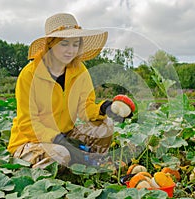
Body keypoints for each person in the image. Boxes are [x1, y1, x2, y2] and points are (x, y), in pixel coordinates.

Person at [7, 13, 133, 168]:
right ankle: (54, 165)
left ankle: (87, 160)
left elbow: (85, 107)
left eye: (75, 44)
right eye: (64, 44)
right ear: (50, 44)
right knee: (60, 153)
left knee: (105, 126)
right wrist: (58, 140)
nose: (70, 51)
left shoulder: (79, 71)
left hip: (66, 135)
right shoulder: (29, 76)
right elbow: (27, 123)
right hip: (29, 140)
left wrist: (104, 108)